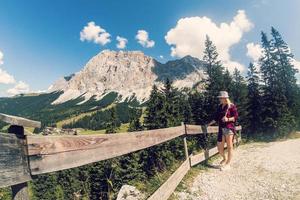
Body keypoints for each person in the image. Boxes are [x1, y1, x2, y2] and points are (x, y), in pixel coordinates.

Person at [207, 91, 238, 171]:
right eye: (219, 98)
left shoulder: (231, 106)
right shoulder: (220, 106)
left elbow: (235, 117)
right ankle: (224, 158)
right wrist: (208, 124)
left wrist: (228, 119)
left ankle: (228, 163)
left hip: (229, 128)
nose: (220, 99)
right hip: (221, 129)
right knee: (219, 146)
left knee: (229, 146)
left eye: (221, 98)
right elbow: (216, 118)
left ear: (225, 98)